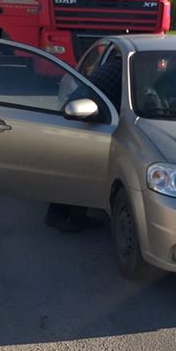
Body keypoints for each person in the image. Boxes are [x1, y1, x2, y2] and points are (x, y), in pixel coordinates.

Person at [45, 56, 122, 232]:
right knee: (84, 169)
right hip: (83, 115)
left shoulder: (114, 66)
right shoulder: (125, 73)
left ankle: (55, 215)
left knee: (69, 169)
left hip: (79, 109)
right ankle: (74, 220)